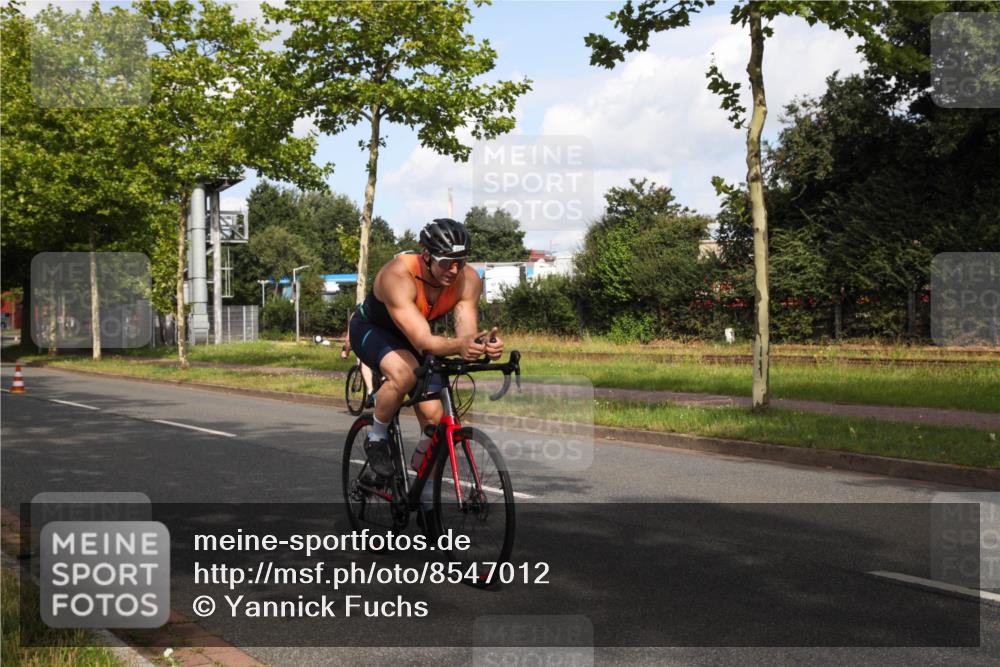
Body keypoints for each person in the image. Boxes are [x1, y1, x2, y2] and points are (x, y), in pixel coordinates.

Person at [349, 218, 502, 485]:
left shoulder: (468, 281)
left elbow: (464, 335)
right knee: (404, 373)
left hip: (416, 334)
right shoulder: (397, 276)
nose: (454, 270)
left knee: (435, 417)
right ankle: (376, 439)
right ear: (427, 255)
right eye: (446, 262)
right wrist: (459, 346)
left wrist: (482, 345)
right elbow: (422, 341)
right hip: (373, 329)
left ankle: (427, 503)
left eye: (461, 261)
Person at [341, 310, 373, 401]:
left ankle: (370, 392)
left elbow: (348, 340)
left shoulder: (356, 315)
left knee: (364, 363)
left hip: (367, 343)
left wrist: (346, 352)